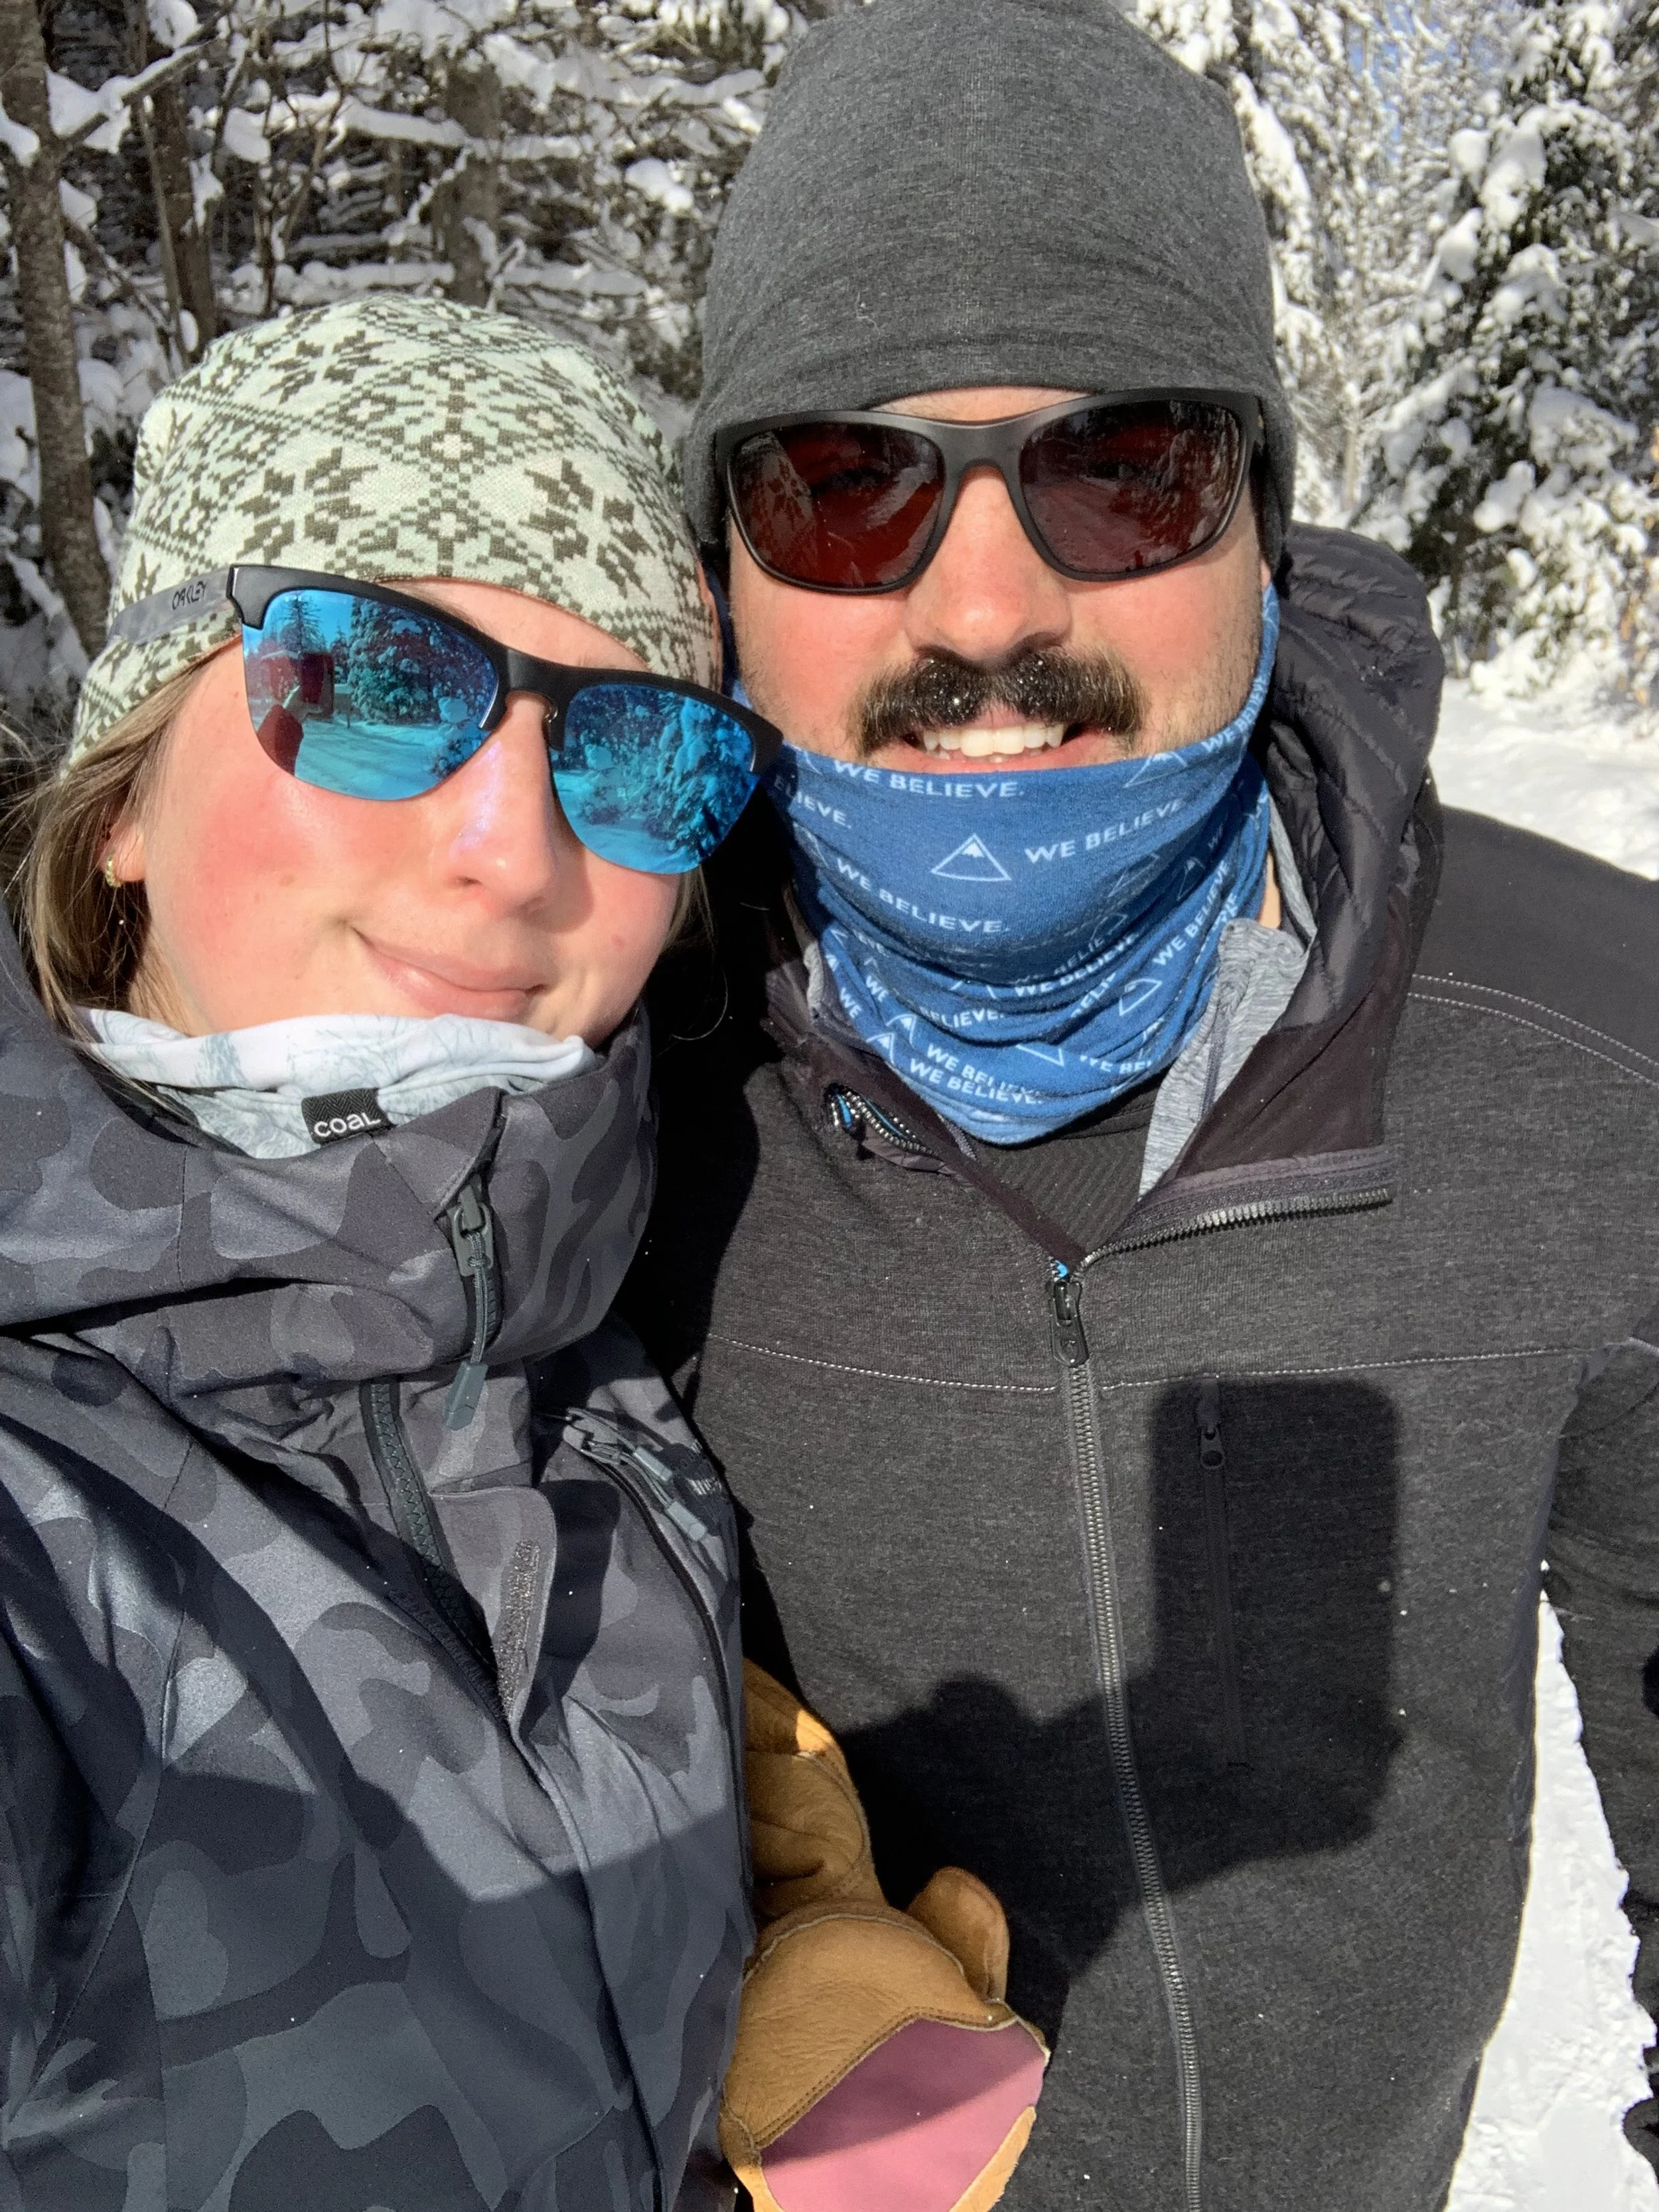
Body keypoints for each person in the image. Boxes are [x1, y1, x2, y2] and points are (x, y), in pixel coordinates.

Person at [622, 3, 1659, 2207]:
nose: (983, 603)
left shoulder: (1595, 1062)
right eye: (841, 483)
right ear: (719, 574)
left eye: (1123, 469)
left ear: (1264, 532)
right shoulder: (596, 1100)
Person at [0, 295, 1046, 2211]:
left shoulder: (588, 1390)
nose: (512, 846)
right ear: (128, 793)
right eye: (377, 677)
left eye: (637, 751)